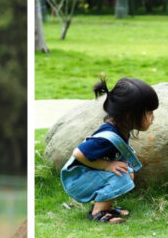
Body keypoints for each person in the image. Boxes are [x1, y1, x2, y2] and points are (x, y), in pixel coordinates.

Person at [60, 77, 158, 224]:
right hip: (76, 180)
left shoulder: (122, 128)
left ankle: (107, 206)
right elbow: (78, 154)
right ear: (129, 115)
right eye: (149, 113)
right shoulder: (107, 137)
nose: (153, 118)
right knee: (121, 176)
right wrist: (107, 166)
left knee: (126, 172)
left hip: (86, 176)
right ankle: (98, 212)